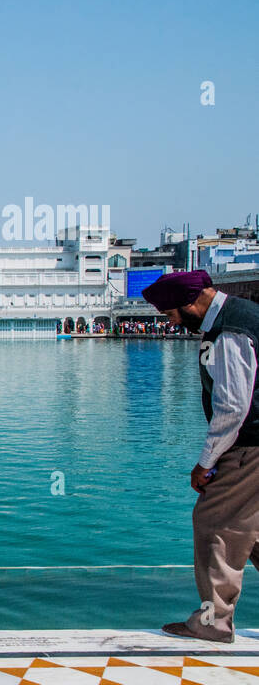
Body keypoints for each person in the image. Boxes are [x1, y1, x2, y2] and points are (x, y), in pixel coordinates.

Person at [144, 270, 259, 642]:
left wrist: (206, 462)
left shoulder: (228, 331)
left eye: (171, 315)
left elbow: (233, 407)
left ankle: (213, 623)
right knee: (251, 530)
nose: (172, 323)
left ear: (190, 303)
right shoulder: (243, 316)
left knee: (216, 527)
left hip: (249, 448)